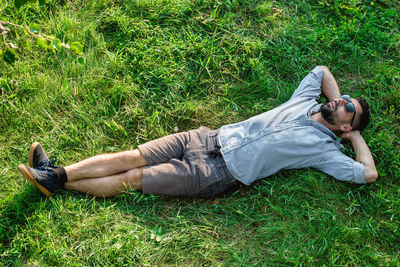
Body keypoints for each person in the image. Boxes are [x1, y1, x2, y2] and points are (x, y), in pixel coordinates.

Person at [18, 66, 378, 198]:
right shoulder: (305, 102)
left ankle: (54, 182)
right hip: (205, 137)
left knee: (132, 178)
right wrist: (338, 103)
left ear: (346, 125)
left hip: (216, 173)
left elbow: (367, 173)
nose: (340, 101)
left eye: (348, 108)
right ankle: (54, 175)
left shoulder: (324, 150)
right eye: (343, 98)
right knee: (128, 156)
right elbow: (321, 72)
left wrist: (354, 138)